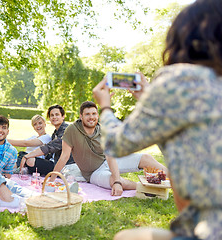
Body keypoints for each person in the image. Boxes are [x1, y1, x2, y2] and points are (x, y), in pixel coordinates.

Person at [93, 0, 222, 239]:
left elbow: (116, 145)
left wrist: (105, 107)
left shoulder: (180, 80)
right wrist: (147, 99)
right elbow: (186, 142)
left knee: (125, 237)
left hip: (210, 230)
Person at [49, 101, 167, 196]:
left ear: (98, 115)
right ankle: (147, 188)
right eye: (87, 114)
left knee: (146, 158)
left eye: (94, 114)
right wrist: (52, 180)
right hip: (93, 173)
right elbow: (64, 157)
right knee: (116, 181)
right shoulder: (72, 130)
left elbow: (111, 157)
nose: (91, 117)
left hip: (108, 161)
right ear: (81, 116)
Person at [19, 105, 75, 175]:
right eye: (52, 115)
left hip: (63, 165)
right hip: (52, 162)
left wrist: (27, 156)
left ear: (63, 116)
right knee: (26, 157)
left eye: (57, 114)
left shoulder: (66, 130)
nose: (54, 117)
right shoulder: (55, 133)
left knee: (30, 160)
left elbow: (48, 147)